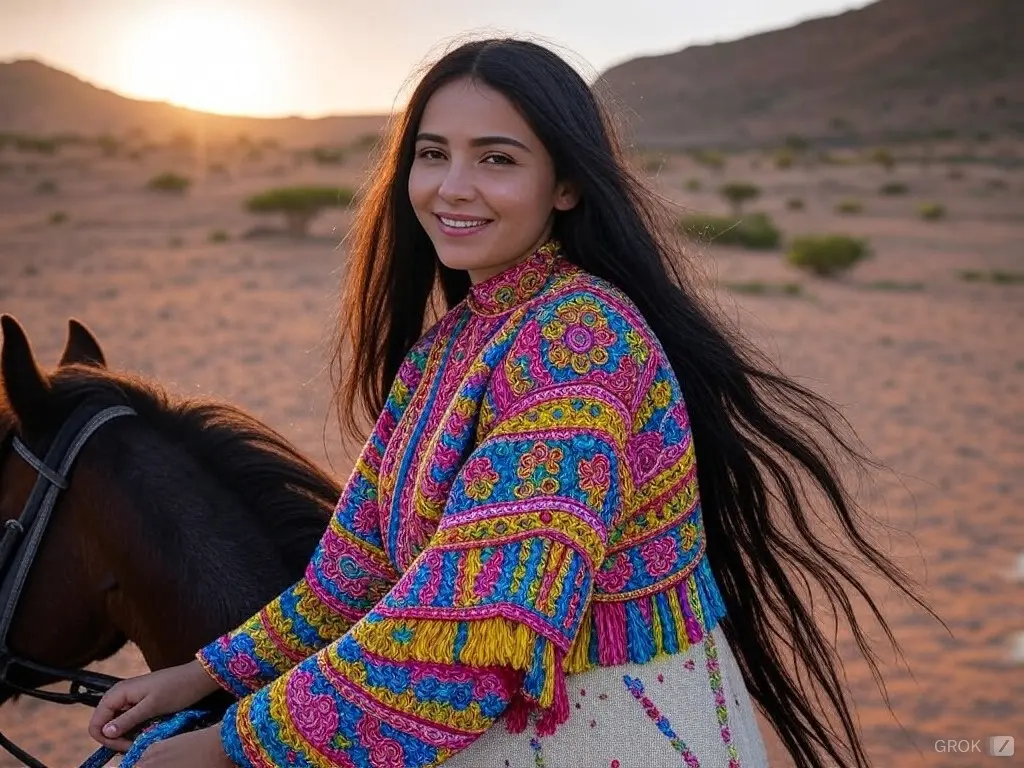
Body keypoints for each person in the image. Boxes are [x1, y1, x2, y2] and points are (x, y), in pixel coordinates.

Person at [88, 36, 926, 768]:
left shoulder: (581, 347)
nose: (453, 187)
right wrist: (199, 675)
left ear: (565, 185)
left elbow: (472, 640)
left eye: (496, 158)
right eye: (431, 153)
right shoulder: (450, 346)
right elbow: (354, 576)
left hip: (609, 735)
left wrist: (229, 748)